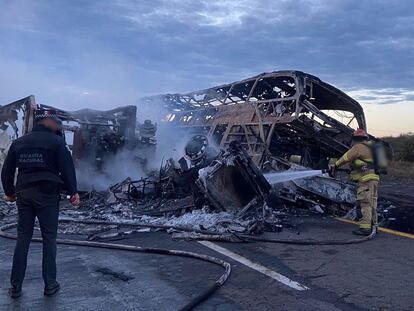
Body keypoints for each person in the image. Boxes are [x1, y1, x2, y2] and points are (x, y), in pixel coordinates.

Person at [1, 108, 80, 299]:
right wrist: (73, 193)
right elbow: (67, 169)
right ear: (49, 123)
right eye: (57, 123)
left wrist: (10, 193)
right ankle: (50, 285)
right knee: (49, 239)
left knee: (23, 239)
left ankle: (16, 287)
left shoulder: (19, 143)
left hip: (24, 194)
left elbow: (6, 170)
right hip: (47, 195)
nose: (58, 127)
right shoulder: (57, 143)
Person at [330, 128, 379, 236]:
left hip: (366, 179)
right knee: (372, 203)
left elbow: (346, 157)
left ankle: (365, 228)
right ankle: (374, 226)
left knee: (365, 203)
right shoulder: (372, 148)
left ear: (356, 139)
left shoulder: (358, 147)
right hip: (374, 179)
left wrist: (336, 165)